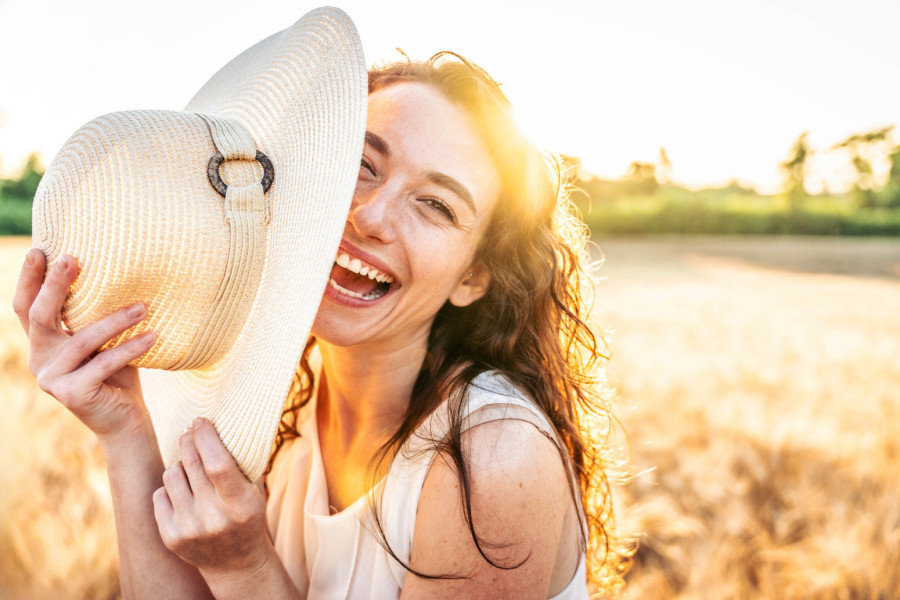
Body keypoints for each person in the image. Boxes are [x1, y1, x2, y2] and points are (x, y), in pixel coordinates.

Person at [13, 51, 626, 598]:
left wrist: (246, 570)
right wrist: (124, 433)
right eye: (362, 165)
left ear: (473, 277)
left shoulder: (493, 456)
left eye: (437, 205)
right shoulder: (269, 405)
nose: (372, 215)